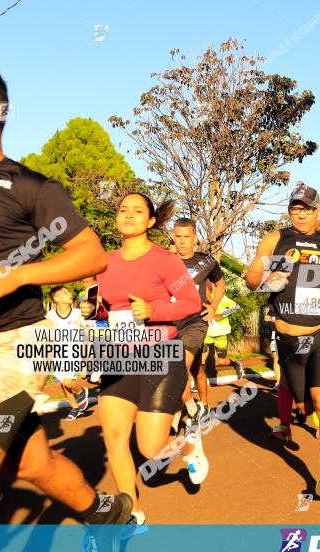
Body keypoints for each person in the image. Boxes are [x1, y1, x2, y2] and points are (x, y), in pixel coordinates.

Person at [0, 67, 132, 552]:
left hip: (13, 343)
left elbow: (90, 255)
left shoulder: (30, 187)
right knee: (29, 465)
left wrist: (18, 274)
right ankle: (104, 512)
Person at [81, 192, 205, 534]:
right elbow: (106, 309)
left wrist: (154, 312)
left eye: (138, 211)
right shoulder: (105, 262)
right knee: (114, 437)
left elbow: (191, 303)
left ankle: (190, 444)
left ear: (151, 221)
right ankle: (133, 514)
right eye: (123, 210)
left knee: (150, 449)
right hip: (118, 355)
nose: (129, 215)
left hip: (159, 355)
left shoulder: (165, 260)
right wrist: (93, 310)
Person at [246, 183, 320, 500]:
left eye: (306, 209)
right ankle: (298, 415)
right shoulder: (275, 240)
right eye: (295, 209)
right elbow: (250, 280)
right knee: (303, 406)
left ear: (318, 210)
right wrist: (267, 280)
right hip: (288, 336)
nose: (300, 215)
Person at [172, 217, 234, 424]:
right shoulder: (165, 261)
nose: (181, 241)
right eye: (178, 237)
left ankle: (187, 410)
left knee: (180, 367)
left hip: (195, 322)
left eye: (186, 237)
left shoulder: (206, 261)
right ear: (173, 237)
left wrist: (214, 307)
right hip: (170, 322)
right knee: (187, 369)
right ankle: (195, 407)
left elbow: (221, 284)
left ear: (194, 238)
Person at [46, 286, 91, 420]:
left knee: (67, 381)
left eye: (69, 292)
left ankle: (81, 392)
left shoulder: (78, 313)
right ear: (57, 298)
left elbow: (88, 330)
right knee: (63, 382)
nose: (70, 294)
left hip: (73, 351)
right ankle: (75, 408)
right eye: (65, 293)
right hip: (58, 353)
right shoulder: (50, 316)